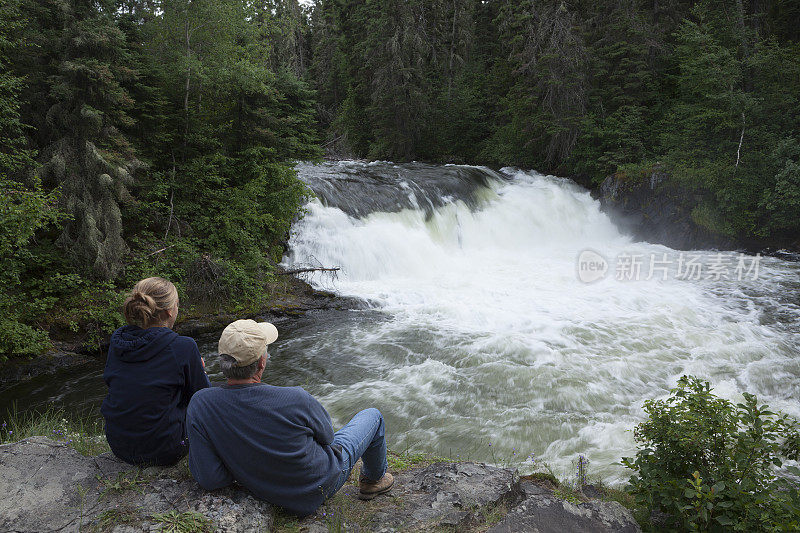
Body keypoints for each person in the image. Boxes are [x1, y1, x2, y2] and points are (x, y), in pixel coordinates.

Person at [186, 319, 393, 516]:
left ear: (222, 362)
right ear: (262, 363)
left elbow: (210, 478)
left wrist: (244, 469)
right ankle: (372, 481)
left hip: (263, 490)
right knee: (373, 416)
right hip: (319, 486)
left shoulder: (201, 403)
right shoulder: (295, 398)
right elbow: (328, 437)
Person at [101, 277, 210, 466]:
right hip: (165, 451)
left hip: (119, 446)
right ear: (169, 311)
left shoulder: (118, 341)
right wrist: (201, 371)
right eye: (177, 304)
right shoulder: (183, 346)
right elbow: (203, 398)